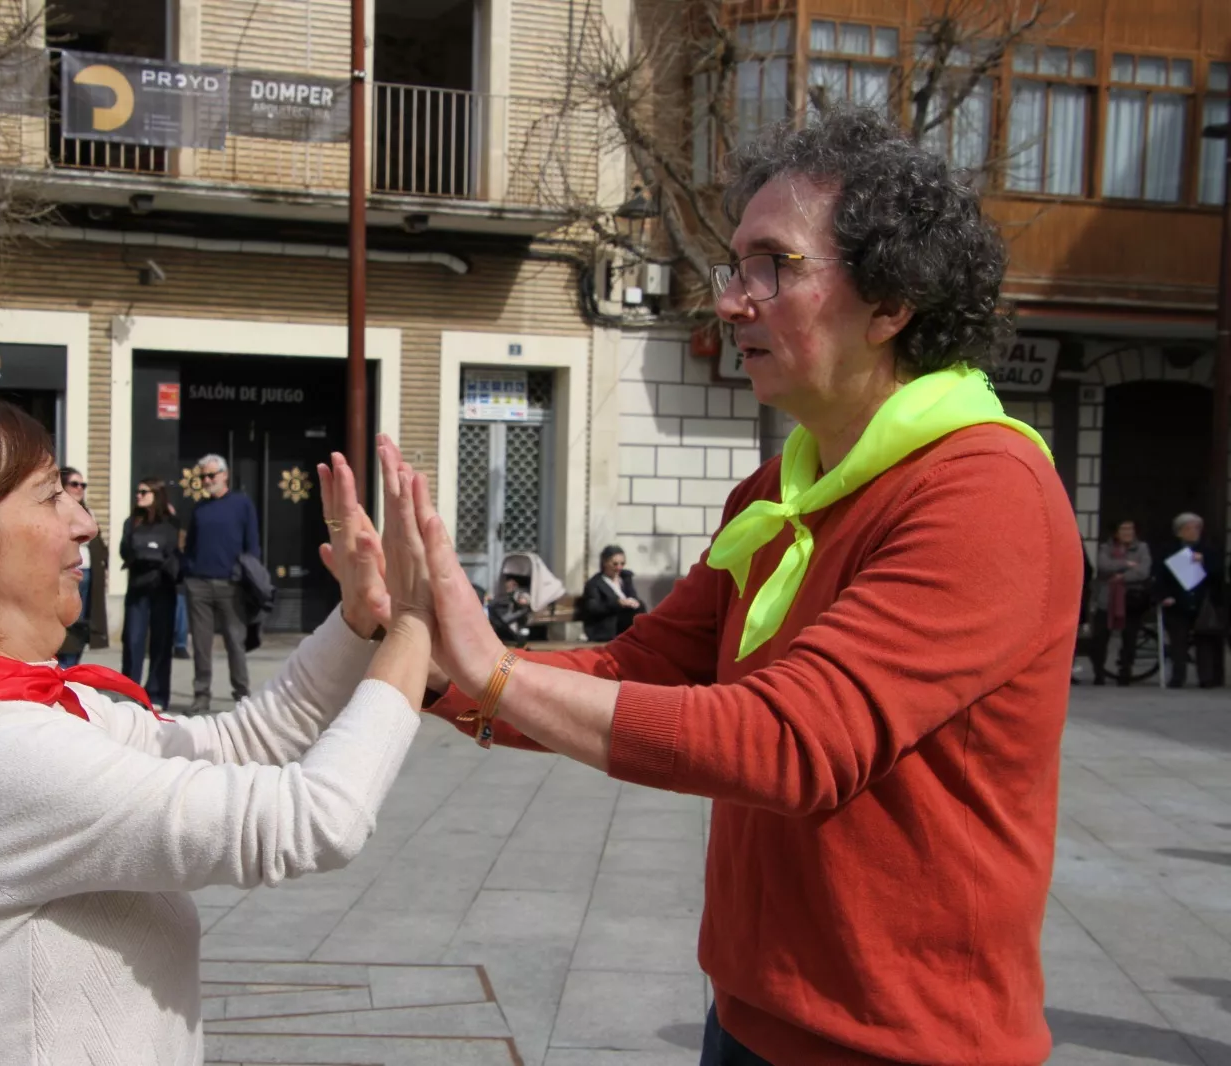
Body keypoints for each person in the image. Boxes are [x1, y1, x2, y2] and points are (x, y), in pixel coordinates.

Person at [411, 109, 1082, 1066]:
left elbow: (790, 741)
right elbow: (644, 664)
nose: (732, 301)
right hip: (748, 1011)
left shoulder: (986, 495)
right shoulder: (775, 493)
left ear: (893, 301)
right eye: (736, 267)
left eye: (774, 265)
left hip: (904, 1046)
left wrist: (499, 675)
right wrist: (441, 666)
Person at [0, 398, 434, 1066]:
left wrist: (358, 620)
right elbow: (313, 818)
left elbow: (233, 744)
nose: (85, 523)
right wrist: (414, 623)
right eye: (48, 495)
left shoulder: (16, 709)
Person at [183, 452, 260, 714]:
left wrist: (248, 576)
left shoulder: (241, 504)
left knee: (235, 642)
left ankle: (242, 693)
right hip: (199, 585)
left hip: (231, 585)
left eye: (211, 475)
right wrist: (188, 573)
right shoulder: (199, 509)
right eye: (203, 476)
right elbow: (190, 546)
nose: (206, 480)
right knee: (201, 645)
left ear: (224, 475)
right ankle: (201, 694)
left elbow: (253, 545)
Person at [119, 477, 181, 708]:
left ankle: (156, 694)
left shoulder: (170, 523)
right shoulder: (132, 522)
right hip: (138, 587)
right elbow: (124, 551)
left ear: (157, 495)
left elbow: (174, 551)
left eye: (144, 492)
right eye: (137, 491)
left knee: (161, 643)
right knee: (133, 640)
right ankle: (129, 691)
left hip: (163, 588)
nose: (139, 495)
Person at [1155, 511, 1223, 689]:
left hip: (1203, 605)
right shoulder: (1168, 550)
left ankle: (1206, 678)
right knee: (1178, 642)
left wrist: (1204, 562)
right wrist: (1164, 596)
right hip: (1177, 603)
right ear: (1179, 531)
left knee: (1204, 643)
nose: (1195, 531)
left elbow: (1218, 575)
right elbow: (1159, 576)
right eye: (1190, 528)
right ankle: (1178, 677)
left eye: (1197, 528)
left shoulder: (1208, 550)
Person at [55, 467, 108, 669]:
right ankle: (62, 667)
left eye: (82, 485)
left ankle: (72, 667)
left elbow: (98, 542)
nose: (79, 489)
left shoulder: (87, 511)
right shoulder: (56, 510)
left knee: (82, 624)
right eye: (74, 484)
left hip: (87, 572)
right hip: (64, 572)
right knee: (65, 621)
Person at [1088, 519, 1152, 685]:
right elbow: (1103, 566)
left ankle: (1125, 671)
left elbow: (1143, 571)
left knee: (1129, 639)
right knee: (1100, 639)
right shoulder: (1106, 548)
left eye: (1130, 529)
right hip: (1106, 600)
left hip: (1131, 600)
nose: (1127, 533)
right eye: (1123, 529)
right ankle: (1099, 672)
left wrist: (1122, 577)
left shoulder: (1142, 548)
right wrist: (1126, 563)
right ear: (1116, 532)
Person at [578, 545, 646, 642]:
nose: (619, 567)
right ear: (605, 563)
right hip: (605, 626)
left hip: (625, 624)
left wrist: (634, 602)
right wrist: (617, 603)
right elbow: (593, 608)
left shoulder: (625, 578)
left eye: (622, 564)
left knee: (640, 608)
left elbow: (633, 596)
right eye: (615, 564)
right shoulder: (595, 583)